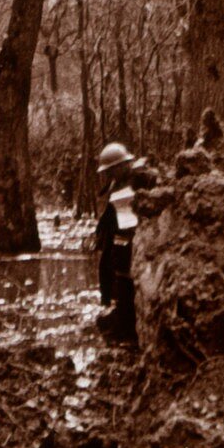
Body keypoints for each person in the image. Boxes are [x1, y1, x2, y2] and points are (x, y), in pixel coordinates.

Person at [93, 141, 145, 343]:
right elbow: (110, 215)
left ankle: (130, 334)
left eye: (113, 169)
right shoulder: (114, 184)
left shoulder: (139, 179)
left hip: (133, 240)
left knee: (128, 286)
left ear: (123, 165)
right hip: (117, 240)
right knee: (112, 279)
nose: (111, 174)